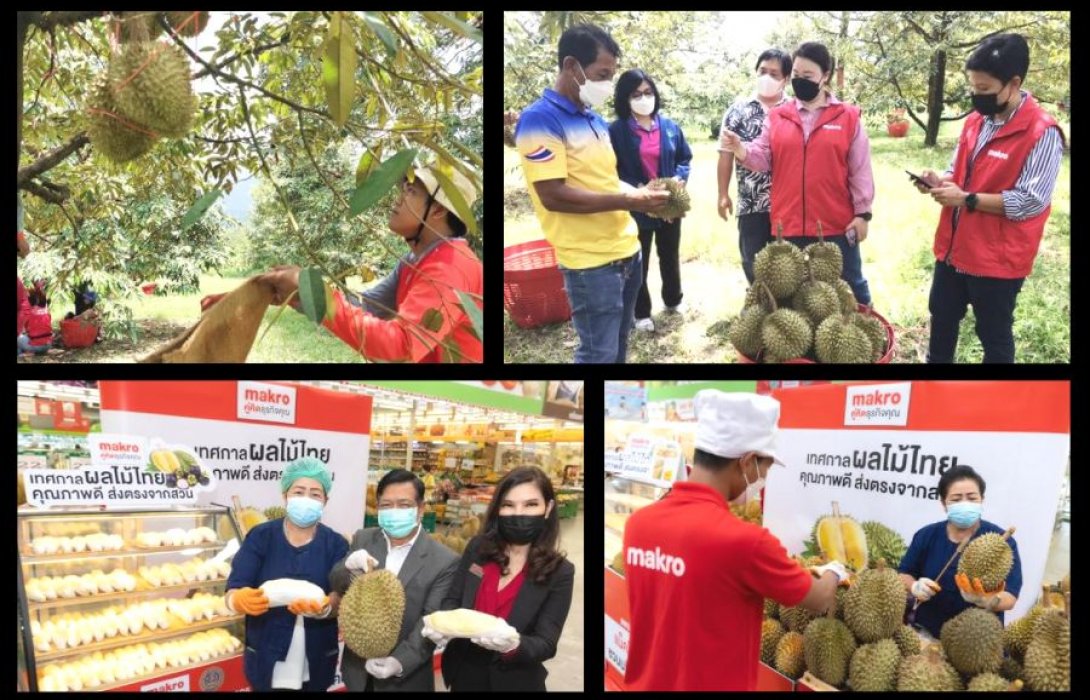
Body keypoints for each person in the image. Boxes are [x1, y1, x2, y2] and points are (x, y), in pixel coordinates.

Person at [623, 390, 849, 690]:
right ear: (747, 461)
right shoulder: (745, 542)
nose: (762, 480)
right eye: (765, 469)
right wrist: (835, 569)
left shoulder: (638, 524)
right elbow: (819, 598)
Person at [515, 24, 670, 363]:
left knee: (618, 348)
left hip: (627, 251)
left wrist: (643, 193)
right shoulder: (540, 120)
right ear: (572, 67)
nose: (607, 84)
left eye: (610, 75)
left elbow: (606, 180)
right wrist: (630, 201)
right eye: (602, 74)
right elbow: (553, 194)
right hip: (591, 264)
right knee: (597, 354)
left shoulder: (593, 119)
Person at [913, 34, 1065, 363]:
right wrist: (939, 180)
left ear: (1014, 83)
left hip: (997, 261)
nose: (976, 96)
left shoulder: (1042, 132)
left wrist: (967, 199)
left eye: (984, 89)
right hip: (953, 250)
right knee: (941, 322)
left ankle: (994, 406)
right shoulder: (975, 121)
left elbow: (1030, 201)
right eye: (973, 87)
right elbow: (958, 170)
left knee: (994, 337)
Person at [240, 163, 482, 363]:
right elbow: (367, 307)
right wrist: (305, 294)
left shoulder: (449, 269)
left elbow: (401, 347)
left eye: (411, 192)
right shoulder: (414, 261)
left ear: (438, 210)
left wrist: (318, 295)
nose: (397, 200)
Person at [720, 42, 875, 307]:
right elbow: (763, 158)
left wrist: (863, 214)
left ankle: (869, 339)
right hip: (788, 224)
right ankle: (807, 350)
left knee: (851, 287)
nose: (800, 82)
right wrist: (740, 149)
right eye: (796, 76)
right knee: (797, 297)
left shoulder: (847, 117)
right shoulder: (778, 116)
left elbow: (860, 169)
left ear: (824, 76)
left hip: (835, 223)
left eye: (808, 76)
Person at [424, 466, 575, 691]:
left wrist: (513, 645)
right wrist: (443, 626)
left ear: (548, 508)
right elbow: (453, 600)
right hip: (464, 674)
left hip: (515, 681)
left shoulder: (560, 572)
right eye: (509, 505)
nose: (519, 513)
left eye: (531, 504)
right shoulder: (477, 549)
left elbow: (545, 643)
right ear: (498, 510)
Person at [328, 469, 459, 691]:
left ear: (421, 509)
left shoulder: (445, 561)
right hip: (357, 673)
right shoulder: (364, 538)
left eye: (404, 504)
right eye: (387, 505)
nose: (394, 511)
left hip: (406, 679)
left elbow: (431, 621)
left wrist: (399, 661)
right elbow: (336, 582)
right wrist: (349, 569)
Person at [225, 458, 349, 691]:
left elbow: (341, 595)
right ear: (285, 495)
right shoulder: (261, 536)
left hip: (316, 656)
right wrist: (238, 599)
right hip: (266, 652)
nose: (306, 499)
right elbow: (235, 586)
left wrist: (326, 608)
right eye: (299, 491)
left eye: (315, 494)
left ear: (325, 500)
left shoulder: (336, 544)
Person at [608, 69, 692, 333]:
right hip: (637, 203)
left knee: (669, 254)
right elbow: (611, 168)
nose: (644, 98)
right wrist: (638, 190)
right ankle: (641, 312)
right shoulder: (617, 131)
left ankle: (673, 300)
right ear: (625, 98)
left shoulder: (669, 127)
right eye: (636, 94)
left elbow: (684, 158)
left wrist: (679, 178)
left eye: (648, 92)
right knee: (638, 261)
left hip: (669, 202)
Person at [898, 465, 1022, 639]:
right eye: (956, 499)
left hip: (976, 640)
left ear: (982, 500)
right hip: (927, 633)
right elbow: (904, 573)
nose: (965, 504)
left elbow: (1010, 597)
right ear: (943, 503)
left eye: (972, 498)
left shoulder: (1004, 543)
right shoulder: (926, 535)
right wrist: (914, 586)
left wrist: (986, 601)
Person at [718, 49, 792, 283]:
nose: (767, 77)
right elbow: (725, 155)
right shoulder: (737, 111)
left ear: (786, 79)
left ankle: (787, 312)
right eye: (762, 71)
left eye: (774, 73)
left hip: (790, 202)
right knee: (753, 260)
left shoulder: (794, 110)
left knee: (790, 264)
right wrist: (722, 194)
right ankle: (760, 305)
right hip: (751, 201)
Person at [19, 281, 54, 356]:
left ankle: (23, 353)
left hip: (35, 346)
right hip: (48, 345)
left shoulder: (28, 313)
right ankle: (34, 351)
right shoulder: (47, 313)